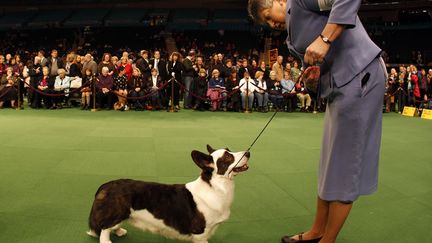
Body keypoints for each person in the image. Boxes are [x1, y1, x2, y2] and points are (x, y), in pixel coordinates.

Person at [248, 1, 387, 243]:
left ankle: (327, 240)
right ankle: (317, 232)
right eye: (267, 23)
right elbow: (319, 69)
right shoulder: (291, 39)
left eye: (270, 16)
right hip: (339, 88)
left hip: (360, 76)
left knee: (344, 167)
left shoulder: (300, 1)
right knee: (328, 164)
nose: (272, 24)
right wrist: (314, 79)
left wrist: (324, 39)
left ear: (279, 1)